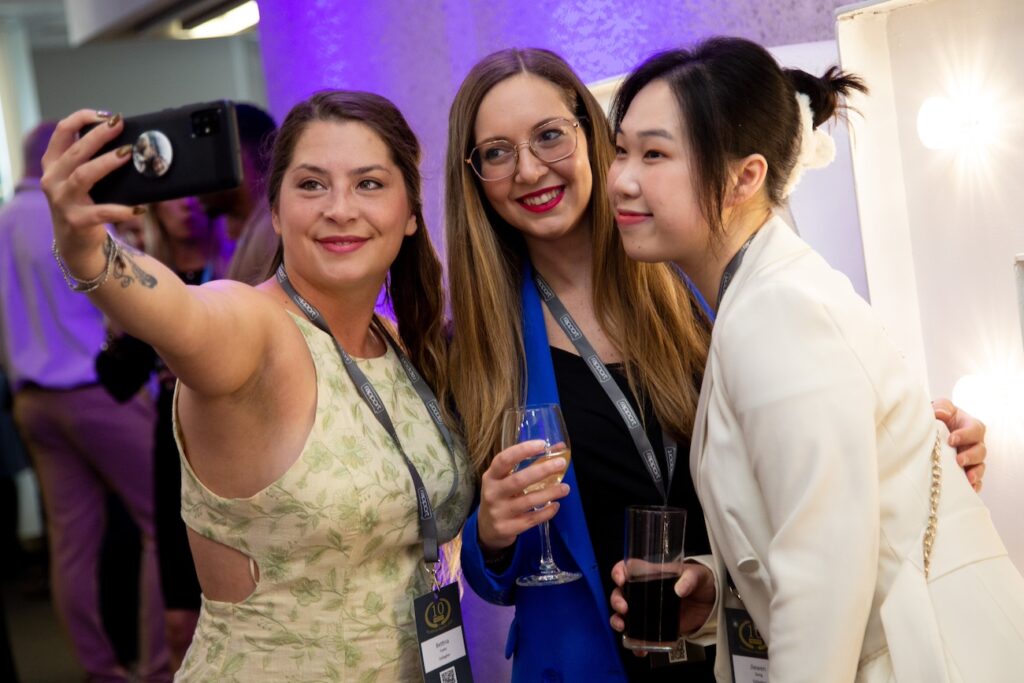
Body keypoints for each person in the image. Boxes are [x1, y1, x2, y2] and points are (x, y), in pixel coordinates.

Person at [446, 49, 990, 683]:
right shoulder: (478, 348)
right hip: (589, 664)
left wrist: (905, 447)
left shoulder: (702, 281)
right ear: (475, 175)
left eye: (548, 137)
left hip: (739, 648)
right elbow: (490, 576)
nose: (530, 169)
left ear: (590, 135)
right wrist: (490, 532)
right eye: (496, 152)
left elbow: (804, 478)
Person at [606, 37, 1022, 681]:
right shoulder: (758, 295)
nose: (621, 179)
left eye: (655, 154)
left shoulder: (777, 309)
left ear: (746, 177)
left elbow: (826, 570)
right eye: (621, 151)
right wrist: (716, 592)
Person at [42, 91, 473, 682]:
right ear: (274, 211)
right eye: (311, 185)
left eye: (369, 184)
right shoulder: (251, 329)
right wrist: (88, 252)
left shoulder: (398, 343)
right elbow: (181, 315)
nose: (340, 208)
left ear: (411, 213)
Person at [0, 121, 170, 682]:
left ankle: (101, 671)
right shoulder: (75, 218)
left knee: (71, 544)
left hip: (32, 400)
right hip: (99, 396)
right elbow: (130, 297)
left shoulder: (2, 222)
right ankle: (156, 668)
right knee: (160, 528)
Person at [199, 103, 279, 285]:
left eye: (203, 161)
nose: (195, 179)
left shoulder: (271, 233)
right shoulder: (255, 226)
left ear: (238, 158)